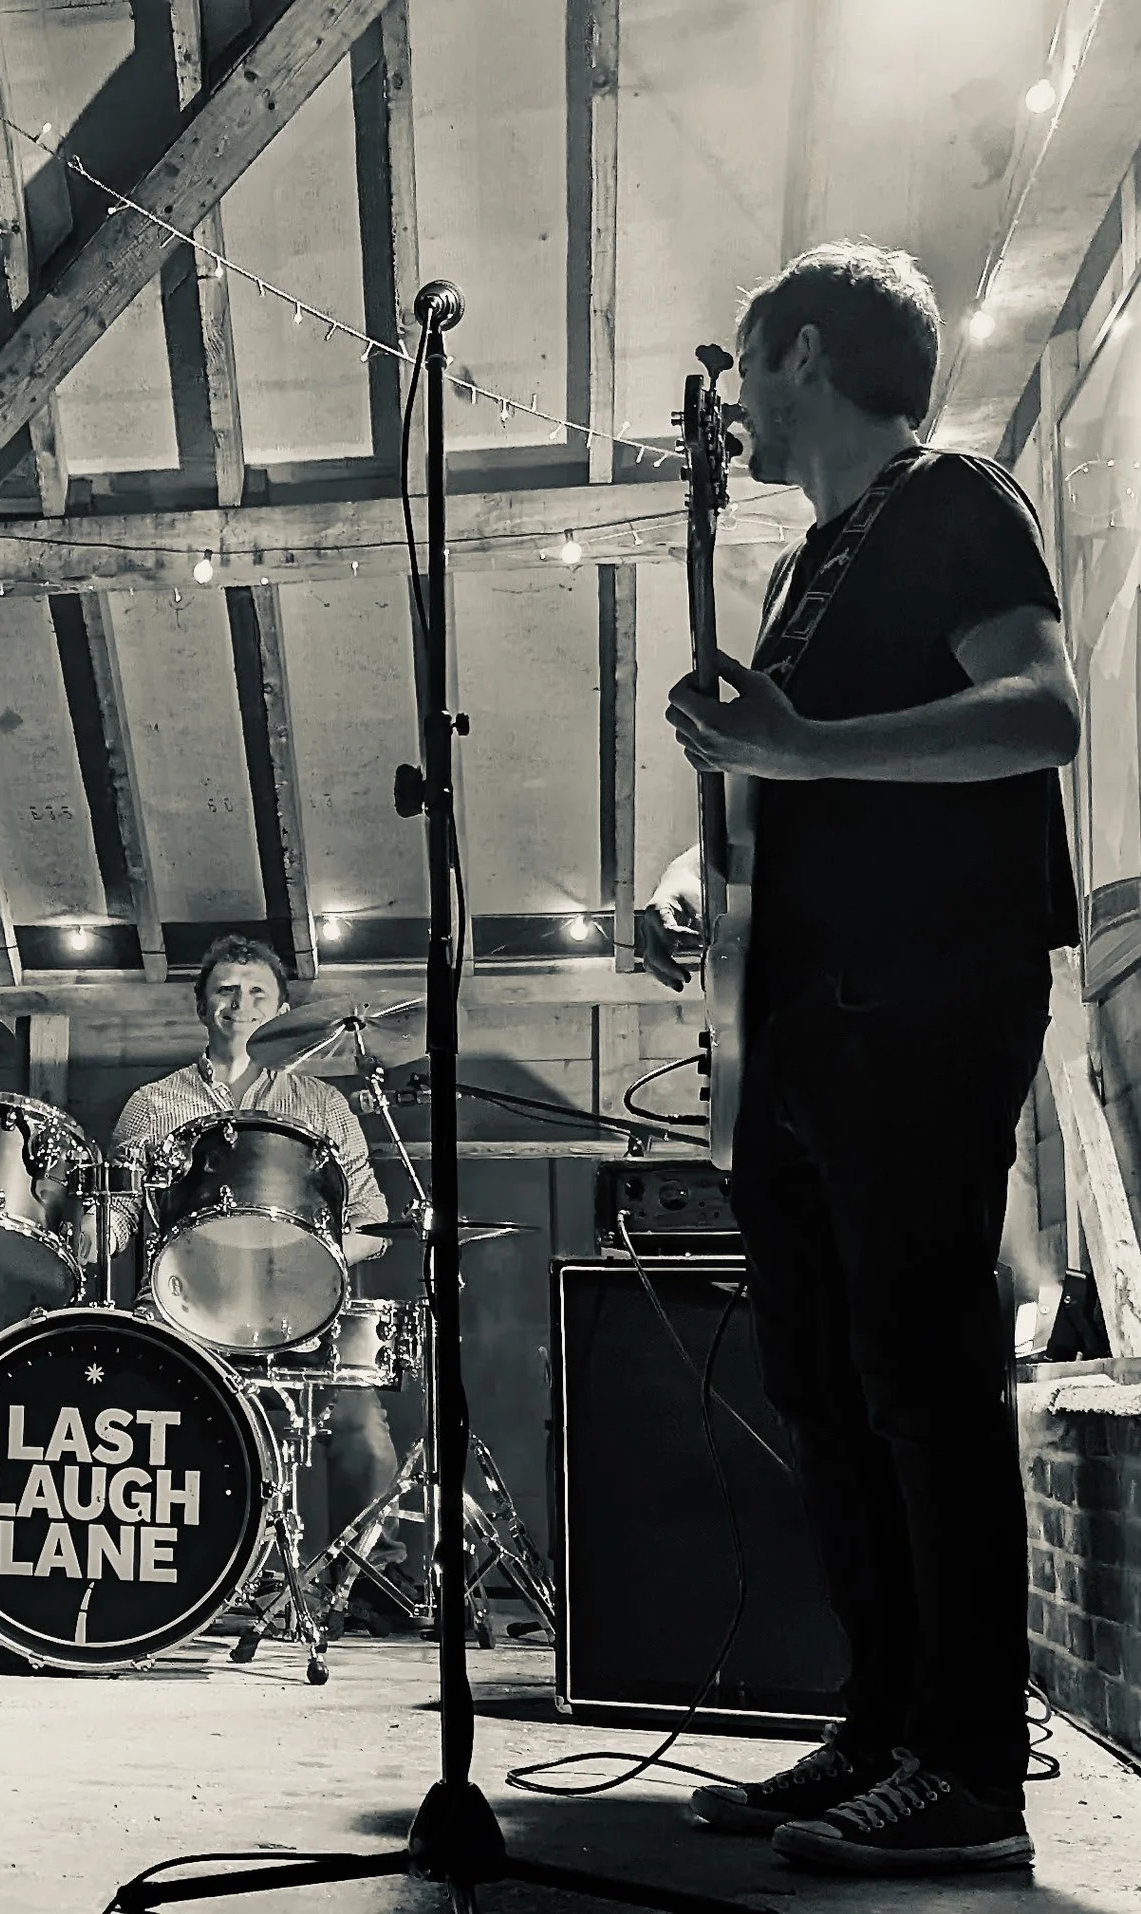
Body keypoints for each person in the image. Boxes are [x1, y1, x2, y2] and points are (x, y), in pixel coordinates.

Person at [647, 243, 1078, 1877]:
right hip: (806, 1019)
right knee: (827, 1388)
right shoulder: (804, 571)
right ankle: (885, 1724)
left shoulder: (953, 497)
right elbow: (799, 792)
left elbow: (1039, 713)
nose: (738, 408)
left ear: (806, 355)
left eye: (749, 364)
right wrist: (696, 879)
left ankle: (968, 1767)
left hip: (924, 1000)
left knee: (920, 1374)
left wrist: (805, 745)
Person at [106, 936, 399, 1604]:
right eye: (226, 990)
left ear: (283, 1010)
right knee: (153, 1433)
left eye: (258, 992)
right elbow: (120, 1214)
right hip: (184, 1308)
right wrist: (80, 1231)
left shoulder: (322, 1104)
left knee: (363, 1434)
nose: (241, 1004)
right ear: (201, 1005)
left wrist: (306, 1260)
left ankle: (367, 1585)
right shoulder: (152, 1104)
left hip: (301, 1308)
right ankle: (179, 1583)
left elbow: (372, 1221)